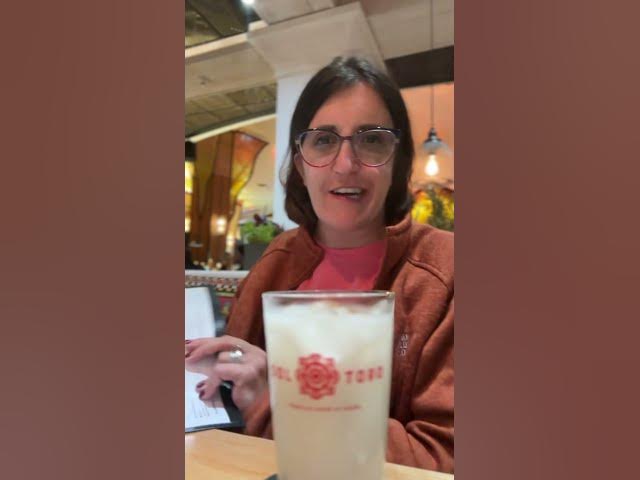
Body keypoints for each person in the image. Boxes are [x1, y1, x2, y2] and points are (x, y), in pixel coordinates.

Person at [185, 56, 454, 473]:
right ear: (300, 163)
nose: (345, 164)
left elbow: (443, 455)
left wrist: (273, 398)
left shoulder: (445, 270)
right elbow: (231, 403)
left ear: (397, 161)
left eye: (372, 139)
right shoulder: (276, 263)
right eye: (324, 140)